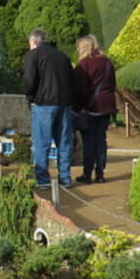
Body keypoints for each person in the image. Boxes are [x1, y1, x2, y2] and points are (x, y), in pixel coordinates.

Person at [23, 28, 76, 189]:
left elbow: (29, 81)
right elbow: (72, 80)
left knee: (41, 143)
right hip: (65, 104)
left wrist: (30, 97)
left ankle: (43, 180)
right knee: (64, 142)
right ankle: (65, 178)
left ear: (33, 42)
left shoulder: (33, 55)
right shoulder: (63, 56)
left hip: (43, 104)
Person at [73, 35, 117, 184]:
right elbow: (112, 83)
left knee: (89, 141)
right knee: (101, 139)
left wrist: (78, 107)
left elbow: (80, 90)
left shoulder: (84, 64)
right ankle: (100, 173)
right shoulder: (107, 62)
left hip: (91, 106)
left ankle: (87, 173)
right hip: (107, 105)